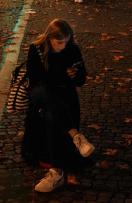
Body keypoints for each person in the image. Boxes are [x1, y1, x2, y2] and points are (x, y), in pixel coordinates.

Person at [22, 19, 94, 193]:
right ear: (49, 38)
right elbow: (36, 78)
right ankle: (76, 136)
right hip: (41, 94)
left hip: (62, 97)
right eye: (59, 42)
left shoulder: (72, 49)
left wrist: (76, 74)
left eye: (66, 41)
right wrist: (62, 74)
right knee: (49, 99)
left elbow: (81, 80)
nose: (63, 46)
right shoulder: (37, 49)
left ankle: (57, 171)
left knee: (53, 114)